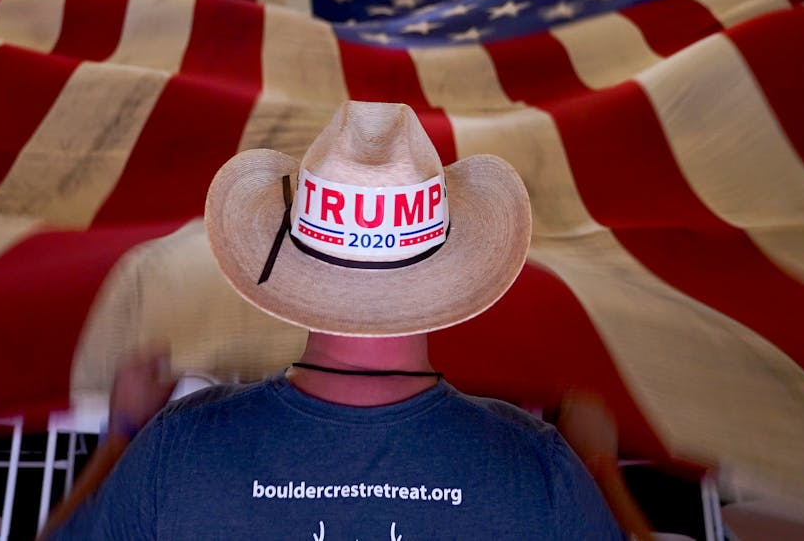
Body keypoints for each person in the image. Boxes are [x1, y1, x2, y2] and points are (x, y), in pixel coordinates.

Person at [44, 101, 624, 540]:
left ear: (294, 259)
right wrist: (598, 467)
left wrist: (122, 436)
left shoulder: (176, 450)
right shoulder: (537, 470)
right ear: (445, 270)